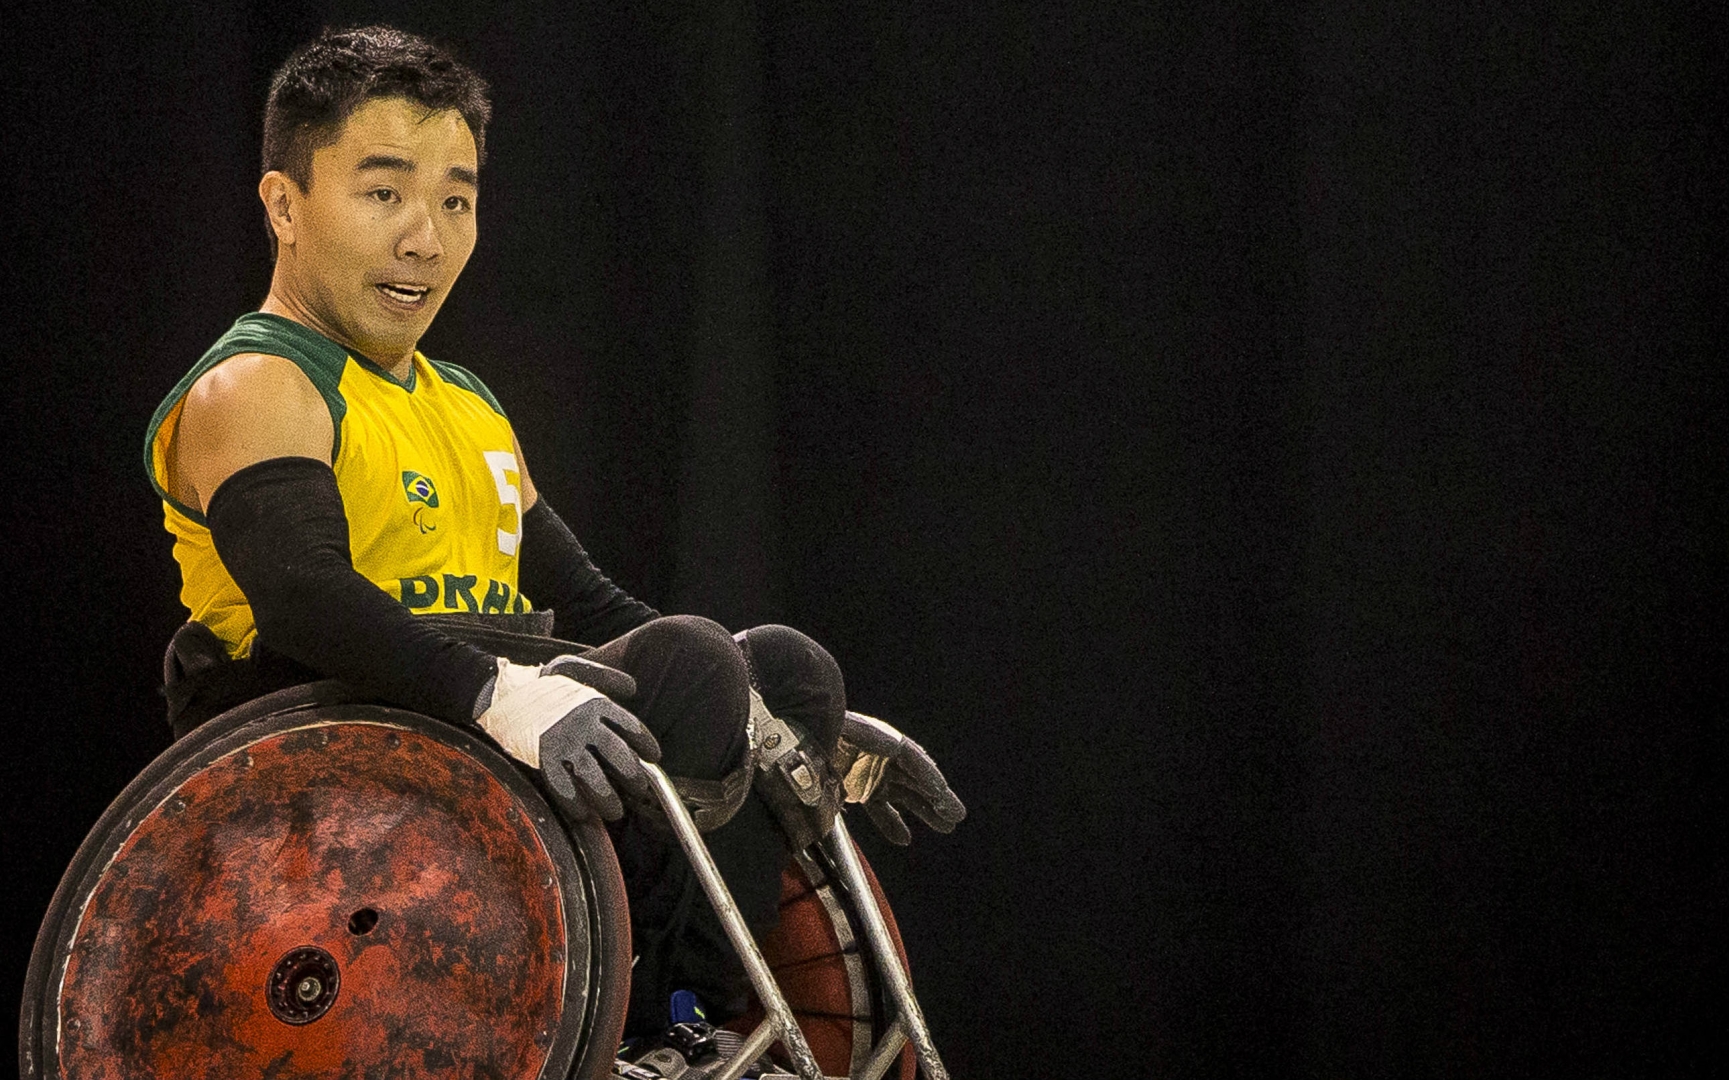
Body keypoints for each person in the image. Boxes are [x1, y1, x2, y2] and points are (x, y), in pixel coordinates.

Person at [142, 25, 963, 1041]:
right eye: (383, 192)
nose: (425, 237)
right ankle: (665, 1024)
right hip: (337, 754)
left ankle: (709, 1018)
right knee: (686, 664)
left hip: (483, 729)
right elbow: (302, 594)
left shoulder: (469, 408)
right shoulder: (260, 383)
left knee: (771, 664)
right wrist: (495, 691)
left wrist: (796, 731)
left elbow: (597, 606)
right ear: (284, 206)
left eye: (457, 198)